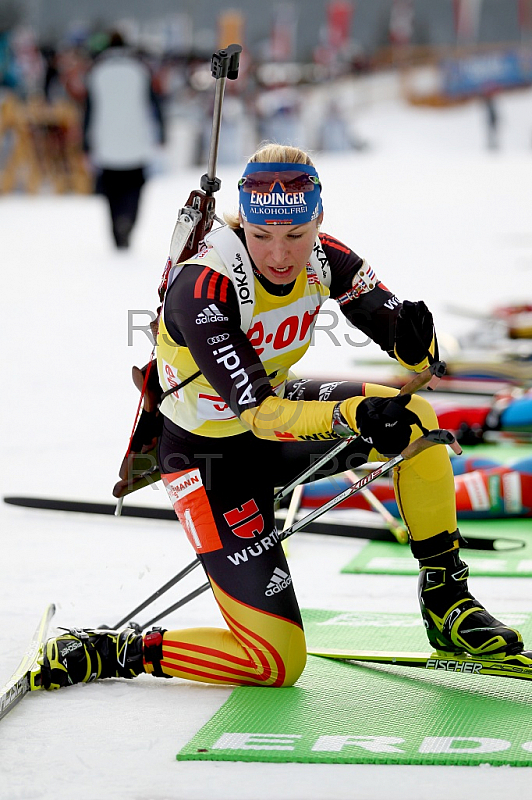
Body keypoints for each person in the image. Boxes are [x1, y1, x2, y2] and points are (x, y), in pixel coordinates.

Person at [35, 143, 531, 692]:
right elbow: (262, 415)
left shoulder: (325, 256)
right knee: (276, 663)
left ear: (317, 220)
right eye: (261, 235)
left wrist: (419, 346)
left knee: (413, 416)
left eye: (296, 235)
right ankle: (118, 650)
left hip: (275, 424)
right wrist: (355, 414)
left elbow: (409, 347)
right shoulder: (202, 287)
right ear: (242, 223)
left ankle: (447, 602)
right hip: (209, 459)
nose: (279, 254)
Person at [83, 31, 165, 249]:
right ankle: (129, 221)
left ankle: (116, 231)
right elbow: (155, 104)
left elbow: (89, 110)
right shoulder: (139, 70)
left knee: (112, 192)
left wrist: (86, 142)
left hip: (106, 140)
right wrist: (161, 133)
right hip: (135, 139)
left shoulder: (97, 71)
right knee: (134, 188)